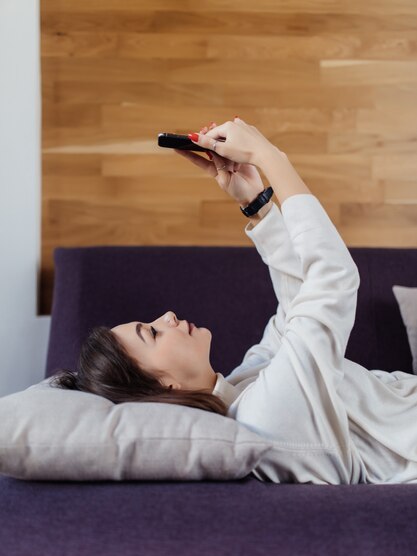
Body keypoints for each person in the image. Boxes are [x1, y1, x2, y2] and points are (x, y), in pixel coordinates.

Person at [52, 117, 417, 485]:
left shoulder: (243, 385)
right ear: (164, 388)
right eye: (153, 333)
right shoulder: (265, 417)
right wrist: (270, 156)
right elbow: (333, 280)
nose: (167, 316)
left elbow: (296, 305)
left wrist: (255, 201)